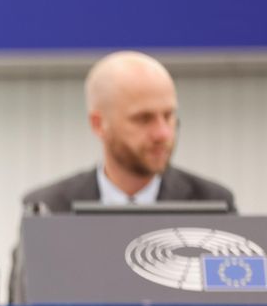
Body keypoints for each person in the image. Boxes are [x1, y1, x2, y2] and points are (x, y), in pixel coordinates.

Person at [21, 51, 235, 213]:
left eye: (168, 116)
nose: (163, 134)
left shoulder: (213, 204)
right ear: (98, 124)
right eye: (143, 119)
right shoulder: (49, 209)